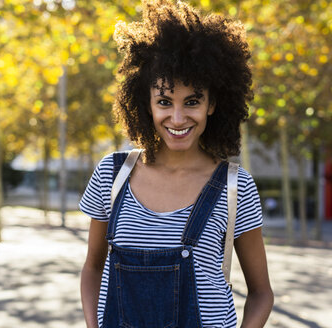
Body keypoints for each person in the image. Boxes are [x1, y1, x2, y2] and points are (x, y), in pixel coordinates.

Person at [79, 1, 274, 327]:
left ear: (212, 104)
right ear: (147, 104)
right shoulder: (112, 175)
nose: (178, 118)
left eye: (193, 101)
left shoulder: (235, 187)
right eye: (165, 102)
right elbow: (93, 268)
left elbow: (261, 293)